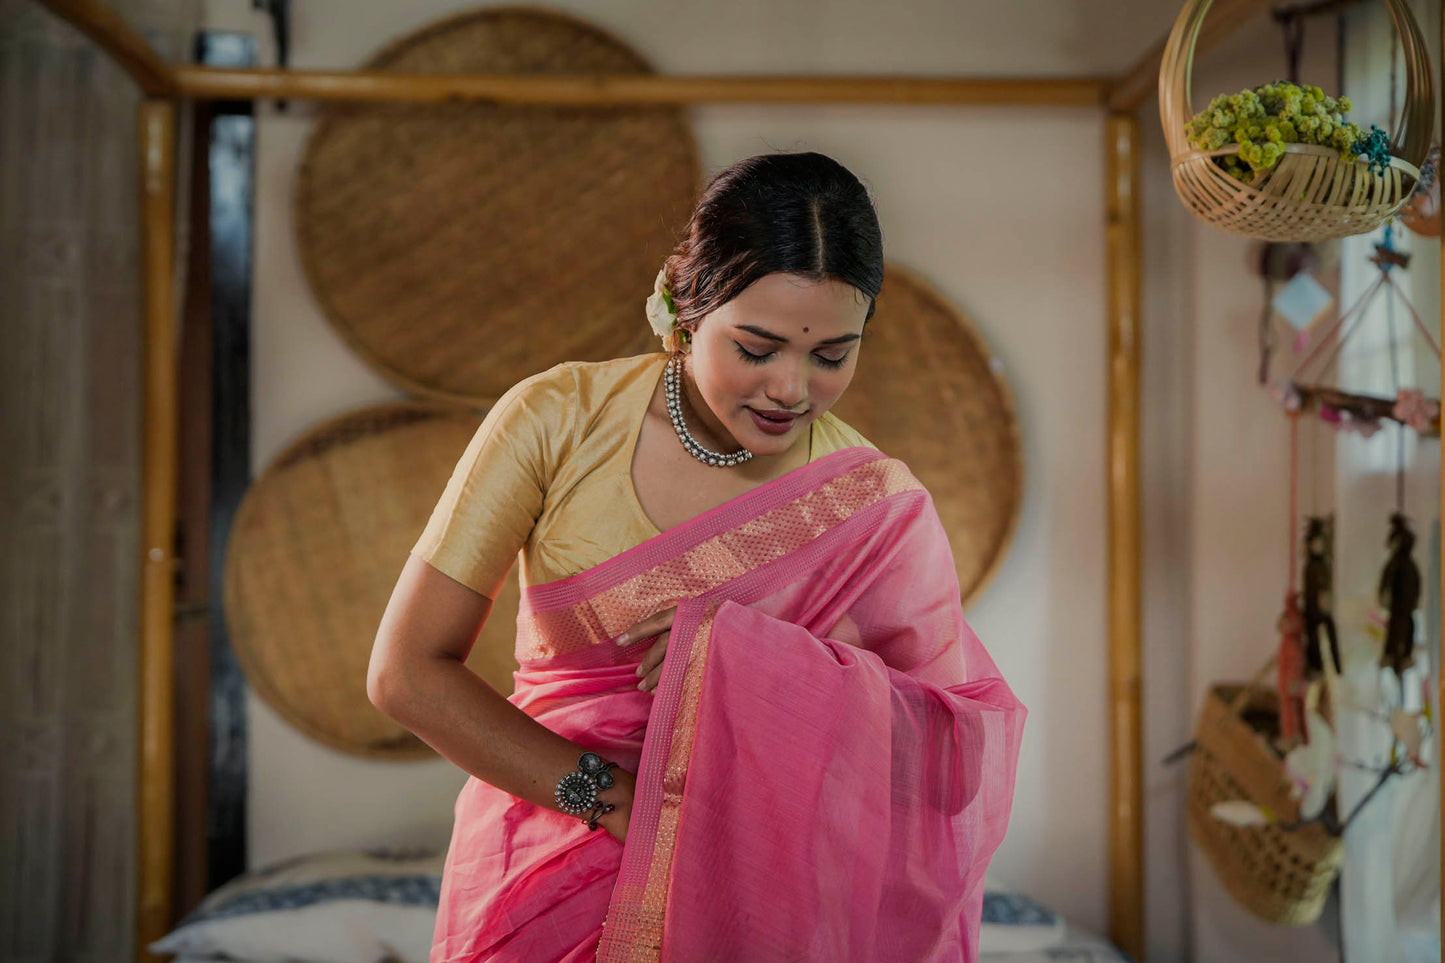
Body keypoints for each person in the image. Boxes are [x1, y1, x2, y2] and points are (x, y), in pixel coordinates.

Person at [367, 151, 1025, 963]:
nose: (791, 388)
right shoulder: (556, 421)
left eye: (830, 356)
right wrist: (613, 799)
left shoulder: (871, 508)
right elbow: (407, 673)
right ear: (683, 307)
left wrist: (747, 663)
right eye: (758, 347)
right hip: (550, 864)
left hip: (755, 901)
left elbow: (946, 762)